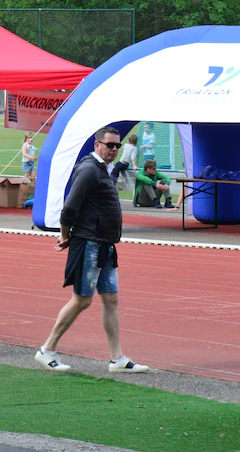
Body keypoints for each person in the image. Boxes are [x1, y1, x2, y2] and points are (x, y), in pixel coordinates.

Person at [35, 126, 149, 374]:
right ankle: (46, 350)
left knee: (111, 298)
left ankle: (117, 359)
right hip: (90, 244)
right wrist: (65, 236)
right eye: (110, 145)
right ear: (97, 145)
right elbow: (69, 208)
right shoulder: (89, 170)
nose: (114, 149)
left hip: (105, 244)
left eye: (117, 145)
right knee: (82, 300)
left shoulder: (103, 169)